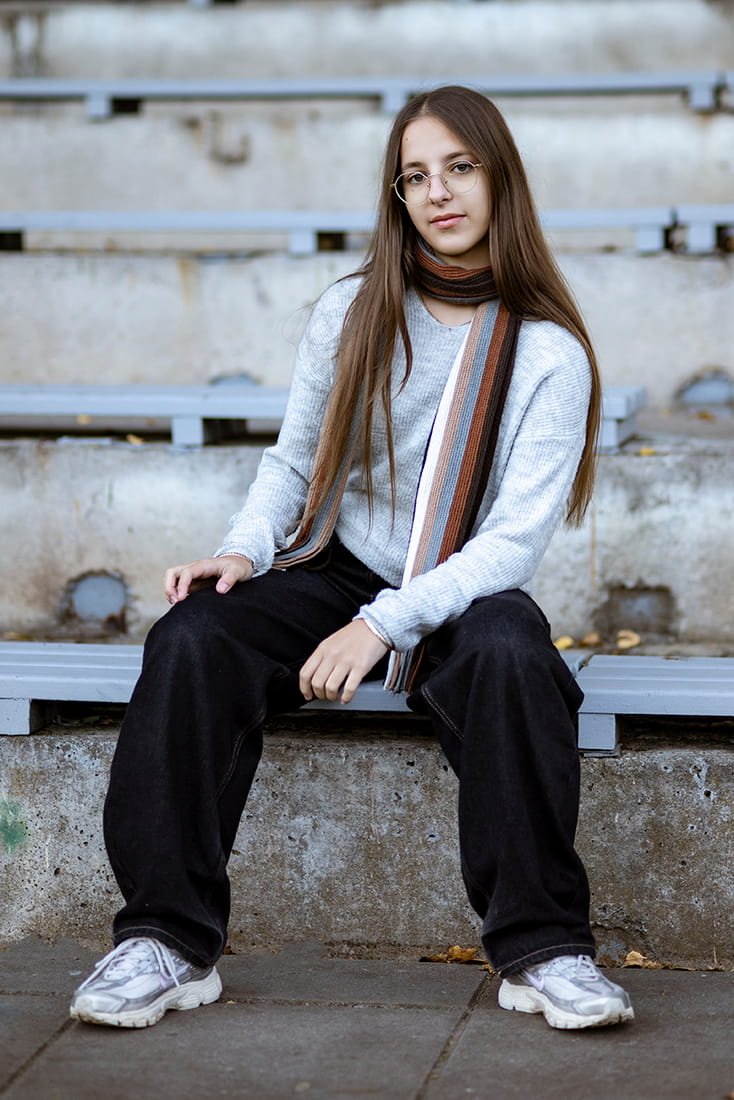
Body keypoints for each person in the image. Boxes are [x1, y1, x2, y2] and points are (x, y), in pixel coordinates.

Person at [70, 85, 634, 1032]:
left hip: (462, 578)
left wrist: (385, 624)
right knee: (193, 637)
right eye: (415, 176)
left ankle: (545, 951)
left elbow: (511, 541)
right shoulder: (353, 311)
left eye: (461, 167)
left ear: (501, 180)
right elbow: (293, 463)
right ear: (397, 196)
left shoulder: (549, 355)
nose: (438, 192)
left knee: (512, 657)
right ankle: (165, 940)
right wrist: (241, 550)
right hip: (335, 563)